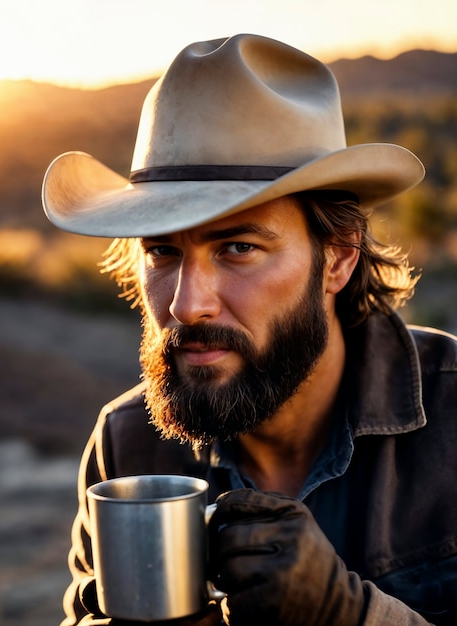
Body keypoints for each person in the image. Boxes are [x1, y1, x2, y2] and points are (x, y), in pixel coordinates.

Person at [42, 34, 457, 626]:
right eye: (161, 252)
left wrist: (351, 616)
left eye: (238, 247)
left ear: (337, 259)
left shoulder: (450, 414)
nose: (186, 306)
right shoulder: (127, 444)